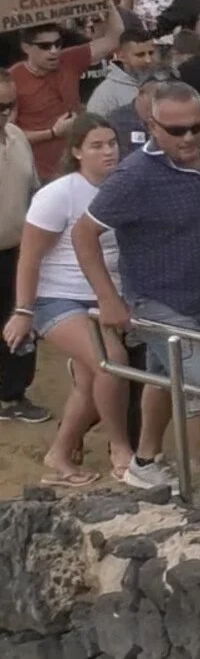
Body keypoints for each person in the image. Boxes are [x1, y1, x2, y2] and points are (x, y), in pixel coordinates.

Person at [73, 80, 200, 494]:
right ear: (152, 126)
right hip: (155, 299)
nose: (190, 137)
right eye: (177, 130)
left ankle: (144, 460)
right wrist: (108, 298)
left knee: (163, 376)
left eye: (197, 126)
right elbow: (83, 233)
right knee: (197, 386)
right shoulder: (134, 176)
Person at [4, 113, 134, 481]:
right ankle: (121, 448)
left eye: (112, 143)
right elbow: (29, 257)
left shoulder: (123, 187)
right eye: (97, 145)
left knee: (92, 384)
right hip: (58, 298)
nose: (108, 151)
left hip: (107, 296)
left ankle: (59, 455)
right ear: (76, 151)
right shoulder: (58, 194)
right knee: (112, 360)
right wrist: (23, 310)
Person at [11, 11, 123, 181]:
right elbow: (7, 134)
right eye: (45, 46)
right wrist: (52, 133)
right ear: (26, 48)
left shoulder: (69, 59)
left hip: (78, 168)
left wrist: (106, 2)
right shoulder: (14, 79)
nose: (54, 51)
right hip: (38, 173)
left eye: (58, 44)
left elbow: (115, 38)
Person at [0, 82, 42, 423]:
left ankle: (14, 395)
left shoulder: (17, 136)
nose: (4, 112)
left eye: (9, 105)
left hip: (19, 250)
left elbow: (35, 191)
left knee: (21, 319)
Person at [86, 26, 156, 119]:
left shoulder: (164, 81)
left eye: (151, 53)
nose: (148, 60)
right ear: (121, 56)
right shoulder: (105, 94)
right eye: (140, 55)